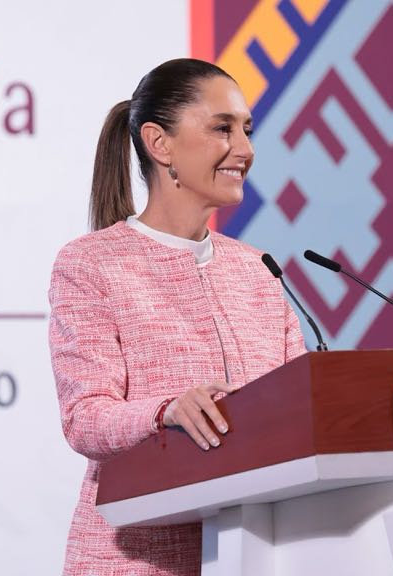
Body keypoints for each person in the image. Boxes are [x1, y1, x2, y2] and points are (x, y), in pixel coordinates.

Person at [47, 58, 308, 575]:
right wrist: (166, 411)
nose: (246, 149)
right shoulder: (91, 264)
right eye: (222, 128)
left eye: (247, 130)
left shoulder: (259, 269)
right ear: (159, 143)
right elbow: (85, 418)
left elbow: (301, 405)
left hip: (255, 556)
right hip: (133, 560)